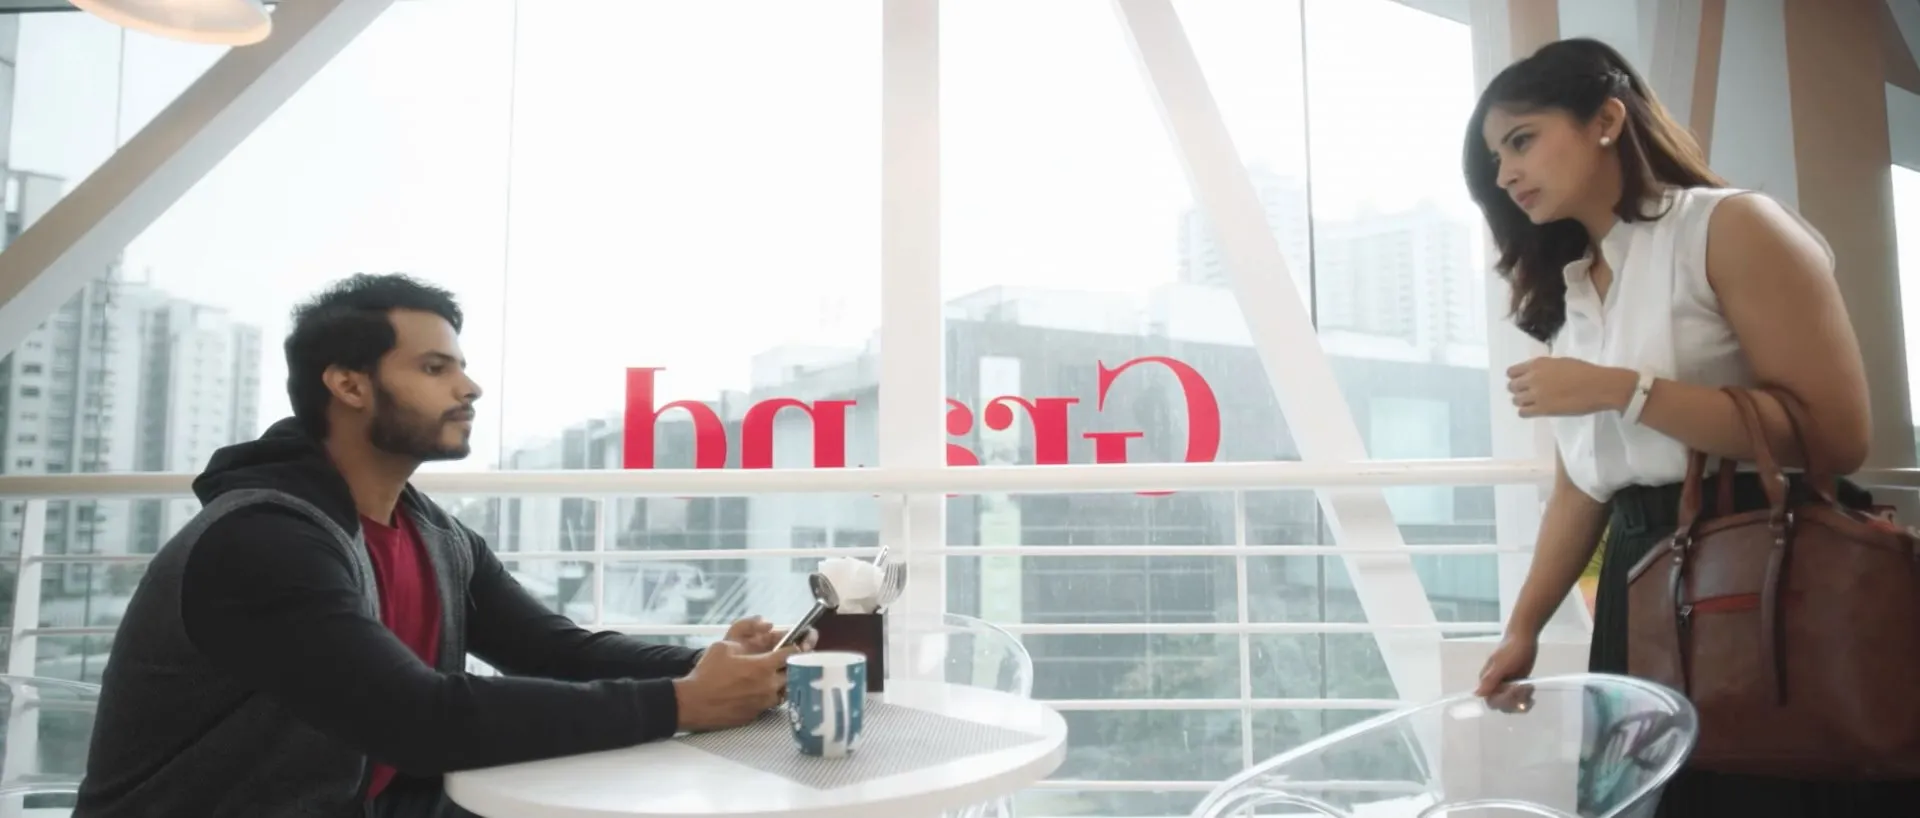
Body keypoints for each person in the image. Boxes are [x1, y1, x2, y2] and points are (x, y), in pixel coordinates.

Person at [74, 273, 810, 818]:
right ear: (349, 386)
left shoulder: (432, 534)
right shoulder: (261, 542)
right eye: (435, 368)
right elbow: (418, 719)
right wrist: (684, 701)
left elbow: (552, 648)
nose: (471, 387)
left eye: (459, 365)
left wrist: (712, 667)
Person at [1463, 38, 1920, 816]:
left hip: (1761, 561)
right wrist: (1523, 629)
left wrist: (1622, 390)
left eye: (1522, 139)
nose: (1505, 174)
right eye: (1495, 157)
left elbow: (1836, 435)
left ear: (1607, 120)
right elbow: (1585, 485)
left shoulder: (1730, 226)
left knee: (1759, 791)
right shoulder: (1571, 289)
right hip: (1637, 580)